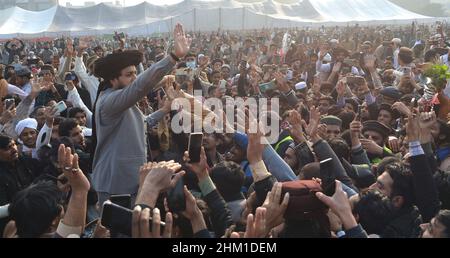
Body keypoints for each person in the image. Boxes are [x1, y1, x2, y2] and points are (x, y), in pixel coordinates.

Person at [91, 23, 191, 207]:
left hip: (132, 181)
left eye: (135, 73)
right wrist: (173, 57)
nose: (134, 78)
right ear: (113, 79)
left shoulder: (120, 101)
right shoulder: (109, 102)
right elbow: (139, 88)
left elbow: (141, 123)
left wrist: (164, 110)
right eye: (129, 74)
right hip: (116, 184)